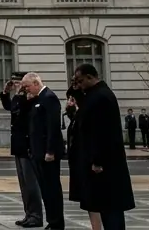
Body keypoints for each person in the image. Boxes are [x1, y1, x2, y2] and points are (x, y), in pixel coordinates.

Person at [71, 64, 135, 230]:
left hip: (105, 165)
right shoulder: (94, 95)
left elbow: (103, 132)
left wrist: (98, 160)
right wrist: (75, 90)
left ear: (91, 77)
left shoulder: (101, 97)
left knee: (110, 207)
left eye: (80, 80)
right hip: (100, 162)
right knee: (103, 205)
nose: (79, 84)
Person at [22, 73, 64, 230]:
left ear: (35, 83)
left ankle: (57, 222)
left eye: (27, 86)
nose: (26, 90)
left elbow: (52, 126)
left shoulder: (49, 97)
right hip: (38, 152)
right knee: (45, 189)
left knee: (52, 189)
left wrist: (50, 150)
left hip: (48, 154)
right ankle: (52, 221)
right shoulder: (38, 99)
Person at [0, 75, 41, 226]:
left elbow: (18, 108)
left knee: (31, 184)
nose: (17, 86)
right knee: (24, 185)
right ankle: (29, 213)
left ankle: (36, 215)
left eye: (19, 83)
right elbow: (10, 108)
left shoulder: (28, 100)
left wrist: (18, 94)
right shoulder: (21, 100)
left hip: (26, 146)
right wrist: (5, 93)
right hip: (18, 146)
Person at [64, 91, 87, 225]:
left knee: (92, 202)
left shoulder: (81, 117)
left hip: (83, 161)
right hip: (77, 161)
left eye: (71, 100)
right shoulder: (75, 118)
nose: (68, 103)